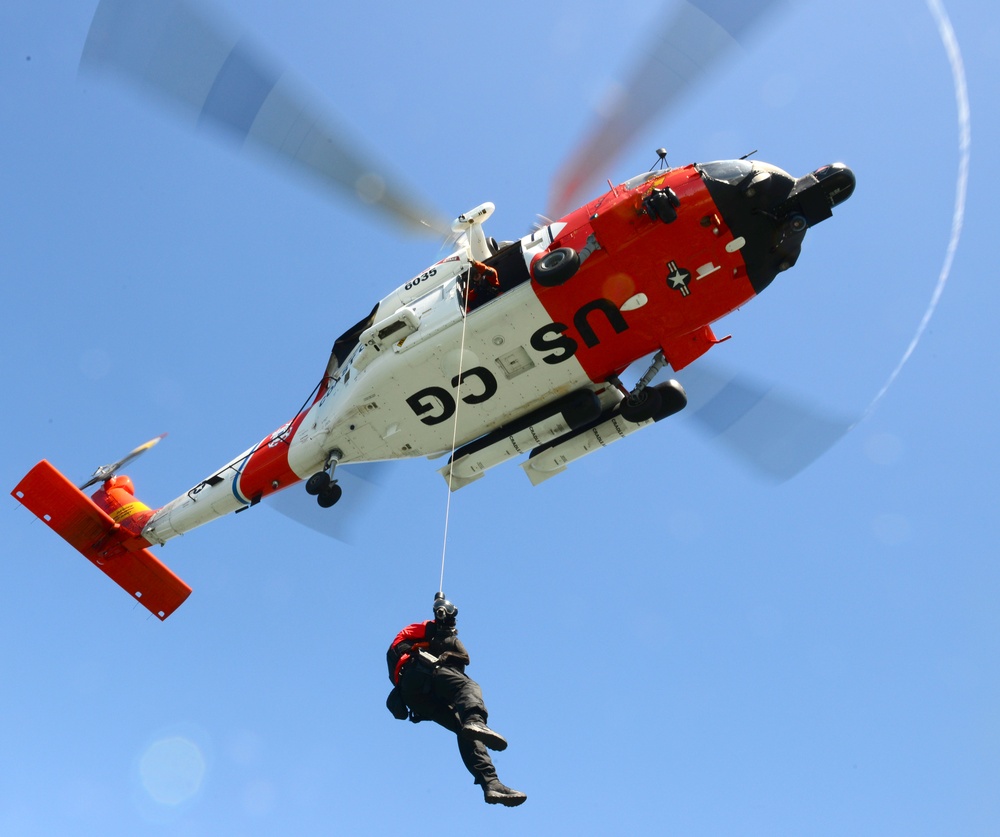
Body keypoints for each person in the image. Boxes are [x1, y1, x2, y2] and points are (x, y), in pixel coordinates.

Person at [386, 593, 527, 807]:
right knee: (468, 686)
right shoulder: (421, 630)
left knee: (465, 729)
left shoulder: (425, 645)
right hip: (419, 672)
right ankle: (476, 719)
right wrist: (443, 609)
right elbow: (436, 624)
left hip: (416, 698)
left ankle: (491, 783)